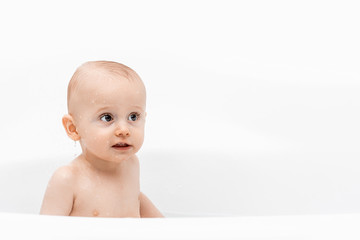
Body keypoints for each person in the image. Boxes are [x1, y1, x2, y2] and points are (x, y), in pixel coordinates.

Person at [40, 60, 163, 218]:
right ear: (73, 128)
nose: (124, 130)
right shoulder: (68, 179)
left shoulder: (131, 164)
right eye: (107, 117)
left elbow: (136, 200)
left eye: (133, 116)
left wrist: (167, 226)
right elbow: (45, 230)